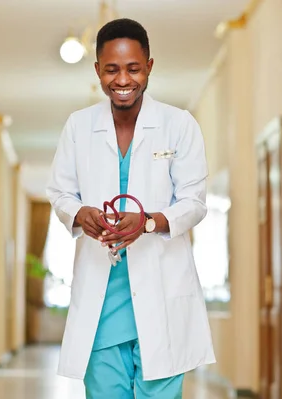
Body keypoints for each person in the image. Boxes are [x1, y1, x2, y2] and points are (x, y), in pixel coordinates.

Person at [46, 18, 216, 398]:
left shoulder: (179, 125)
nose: (123, 79)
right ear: (97, 71)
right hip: (103, 304)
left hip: (162, 295)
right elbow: (60, 191)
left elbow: (194, 202)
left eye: (133, 68)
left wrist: (150, 222)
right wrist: (78, 214)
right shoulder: (79, 126)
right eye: (112, 69)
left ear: (150, 67)